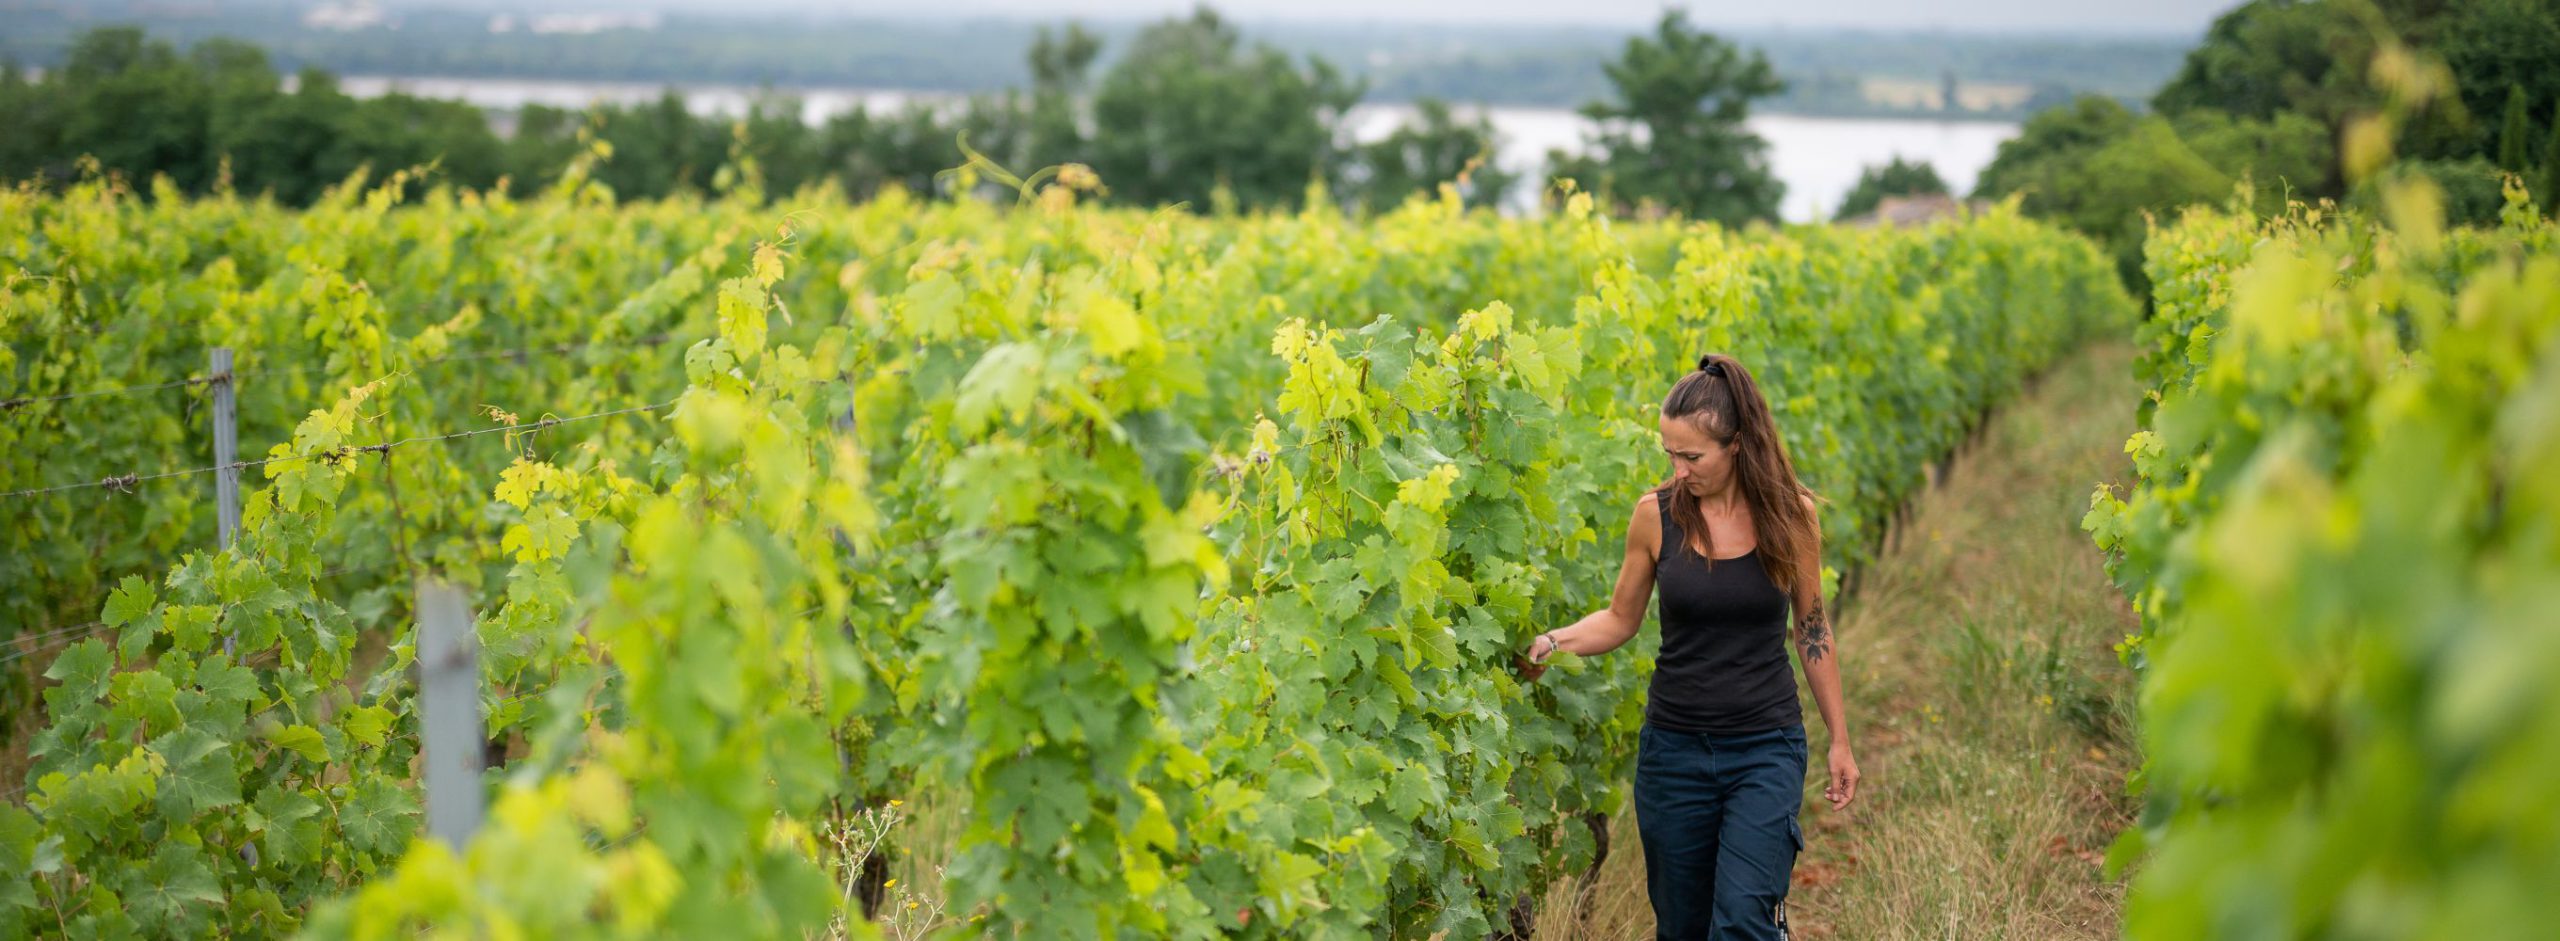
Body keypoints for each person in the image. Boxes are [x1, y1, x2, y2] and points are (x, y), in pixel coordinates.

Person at [1518, 353, 1859, 940]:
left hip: (1765, 749)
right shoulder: (1656, 515)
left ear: (1738, 445)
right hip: (1674, 755)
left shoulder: (1790, 515)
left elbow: (1813, 629)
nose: (1678, 470)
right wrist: (1554, 641)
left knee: (1744, 922)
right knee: (1682, 928)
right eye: (1669, 453)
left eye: (1692, 457)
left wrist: (1840, 742)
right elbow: (1620, 618)